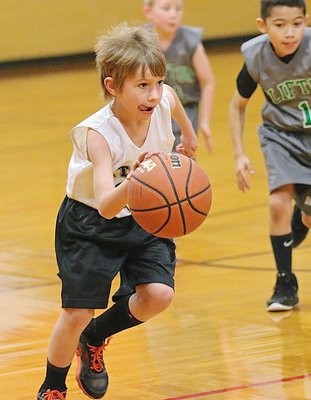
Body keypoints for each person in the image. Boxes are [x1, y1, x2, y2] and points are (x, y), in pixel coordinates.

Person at [37, 23, 197, 400]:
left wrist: (187, 146)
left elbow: (182, 125)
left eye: (157, 82)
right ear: (113, 86)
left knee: (158, 295)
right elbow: (108, 206)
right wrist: (141, 176)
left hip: (144, 215)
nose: (154, 94)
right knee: (77, 314)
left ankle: (95, 339)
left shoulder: (165, 99)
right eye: (142, 86)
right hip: (90, 222)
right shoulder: (97, 134)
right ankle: (52, 386)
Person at [229, 0, 311, 313]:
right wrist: (239, 154)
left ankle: (300, 221)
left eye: (297, 23)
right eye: (280, 25)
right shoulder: (256, 57)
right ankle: (285, 283)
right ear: (263, 26)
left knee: (307, 215)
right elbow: (237, 105)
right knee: (278, 202)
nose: (289, 32)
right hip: (281, 137)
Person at [143, 0, 215, 152]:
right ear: (148, 12)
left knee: (183, 159)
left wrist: (205, 122)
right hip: (151, 111)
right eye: (166, 8)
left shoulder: (190, 41)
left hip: (186, 110)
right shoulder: (140, 41)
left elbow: (207, 83)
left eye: (178, 9)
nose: (173, 15)